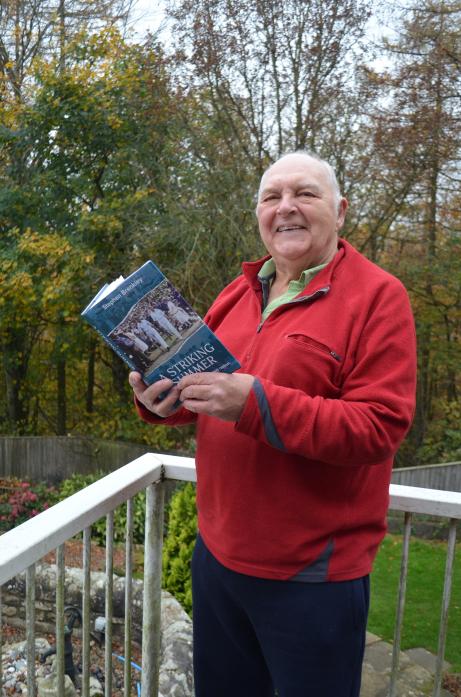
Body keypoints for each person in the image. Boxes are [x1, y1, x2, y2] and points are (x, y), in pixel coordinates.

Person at [129, 152, 417, 697]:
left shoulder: (379, 297)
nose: (286, 207)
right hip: (217, 558)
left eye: (305, 194)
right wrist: (161, 399)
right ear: (259, 213)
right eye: (271, 197)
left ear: (340, 209)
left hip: (310, 576)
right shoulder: (240, 290)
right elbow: (207, 393)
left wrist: (255, 403)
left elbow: (379, 427)